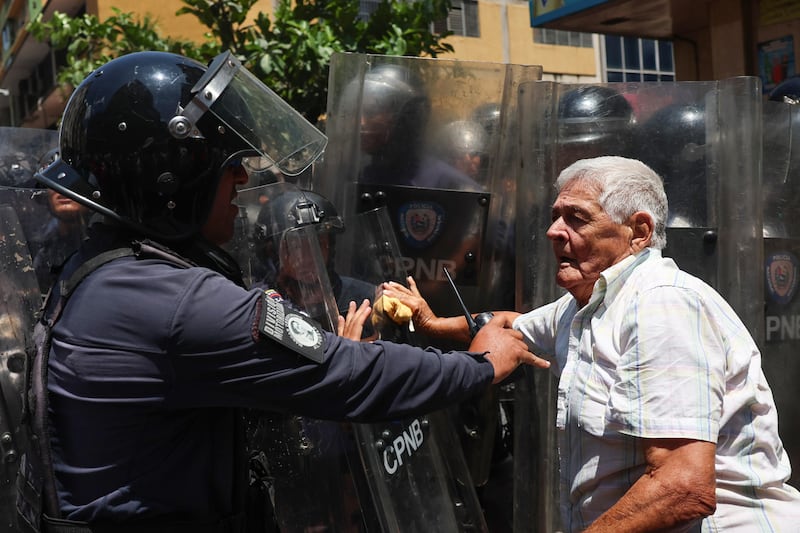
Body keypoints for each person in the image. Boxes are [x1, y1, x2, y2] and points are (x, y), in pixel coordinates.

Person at [18, 50, 550, 532]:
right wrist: (480, 365)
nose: (244, 185)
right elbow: (344, 373)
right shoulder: (171, 300)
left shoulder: (108, 269)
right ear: (174, 181)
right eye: (231, 169)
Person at [382, 155, 800, 531]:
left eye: (576, 218)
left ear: (638, 232)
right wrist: (431, 322)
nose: (552, 232)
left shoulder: (661, 306)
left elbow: (683, 486)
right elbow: (507, 323)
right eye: (555, 216)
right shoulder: (587, 304)